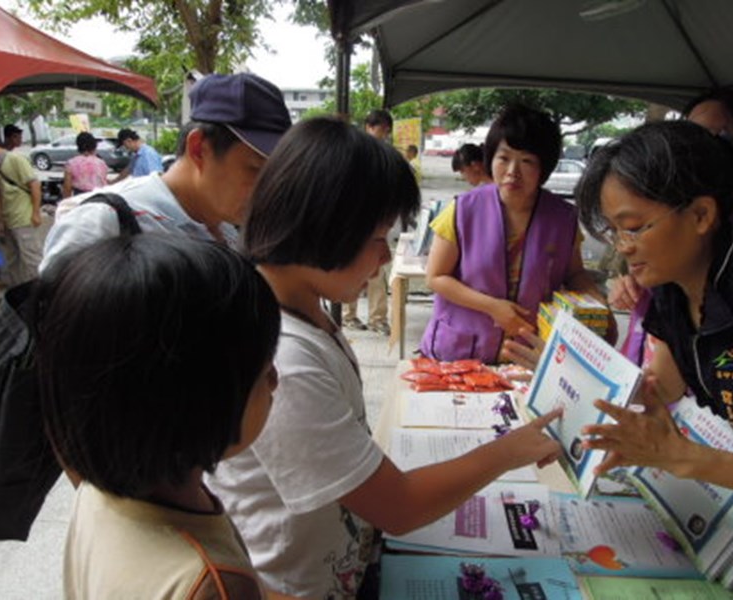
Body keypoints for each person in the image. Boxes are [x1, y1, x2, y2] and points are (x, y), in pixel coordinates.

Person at [207, 117, 563, 599]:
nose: (384, 258)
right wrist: (509, 450)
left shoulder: (305, 309)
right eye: (378, 238)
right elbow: (399, 507)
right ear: (326, 227)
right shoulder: (282, 357)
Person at [576, 121, 733, 595]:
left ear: (700, 215)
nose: (622, 248)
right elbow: (662, 388)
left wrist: (685, 457)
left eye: (633, 227)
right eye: (614, 231)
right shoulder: (671, 285)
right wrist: (570, 380)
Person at [35, 233, 294, 599]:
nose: (275, 381)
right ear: (199, 404)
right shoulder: (214, 585)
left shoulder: (100, 491)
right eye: (263, 370)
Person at [609, 89, 733, 367]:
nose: (693, 149)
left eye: (713, 137)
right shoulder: (676, 216)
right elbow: (658, 388)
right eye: (688, 134)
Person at [420, 104, 613, 365]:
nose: (512, 171)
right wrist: (492, 306)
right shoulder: (461, 210)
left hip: (528, 354)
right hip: (461, 352)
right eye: (504, 158)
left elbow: (575, 274)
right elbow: (436, 277)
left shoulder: (563, 219)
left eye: (526, 161)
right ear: (491, 159)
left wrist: (597, 304)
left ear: (543, 167)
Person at [41, 72, 292, 272]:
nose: (267, 189)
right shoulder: (104, 223)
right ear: (199, 149)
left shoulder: (225, 230)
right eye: (256, 170)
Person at [343, 109, 394, 335]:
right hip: (354, 221)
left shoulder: (386, 155)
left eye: (385, 129)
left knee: (378, 271)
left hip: (376, 220)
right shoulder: (354, 152)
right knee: (351, 268)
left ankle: (377, 318)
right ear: (368, 127)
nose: (382, 133)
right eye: (379, 128)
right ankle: (348, 315)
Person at [0, 142, 43, 288]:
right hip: (8, 220)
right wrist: (0, 219)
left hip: (23, 218)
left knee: (31, 259)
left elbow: (34, 185)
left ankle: (39, 292)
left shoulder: (15, 159)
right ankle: (16, 290)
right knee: (9, 259)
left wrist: (36, 213)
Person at [62, 132, 109, 198]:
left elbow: (67, 188)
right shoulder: (101, 163)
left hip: (80, 198)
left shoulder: (71, 164)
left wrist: (66, 203)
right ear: (94, 146)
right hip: (100, 198)